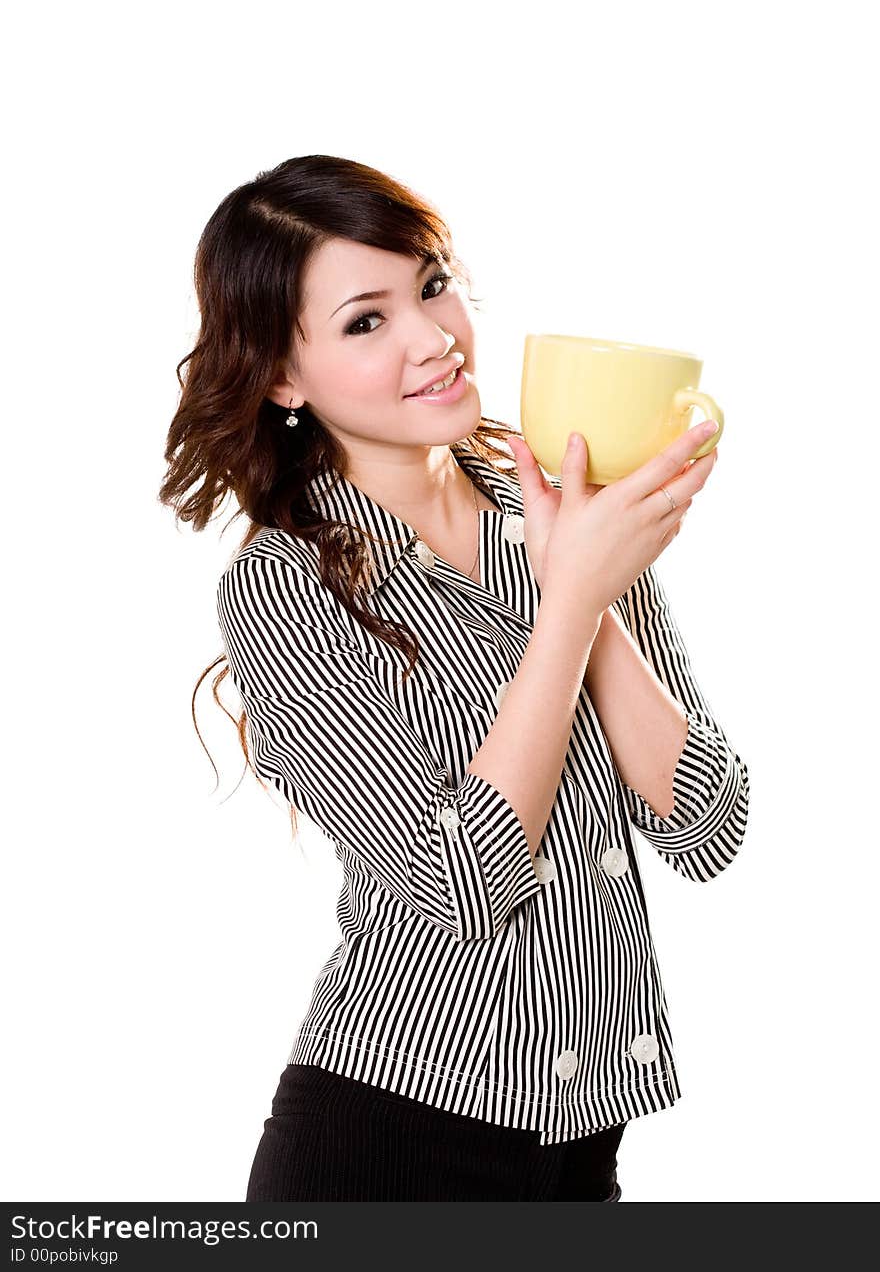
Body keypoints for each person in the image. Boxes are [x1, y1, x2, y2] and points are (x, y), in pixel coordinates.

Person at [159, 153, 750, 1202]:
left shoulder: (551, 501)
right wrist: (565, 604)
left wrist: (584, 584)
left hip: (580, 1157)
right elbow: (463, 885)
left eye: (430, 284)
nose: (433, 339)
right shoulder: (282, 589)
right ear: (281, 379)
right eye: (363, 321)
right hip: (387, 1143)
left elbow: (706, 827)